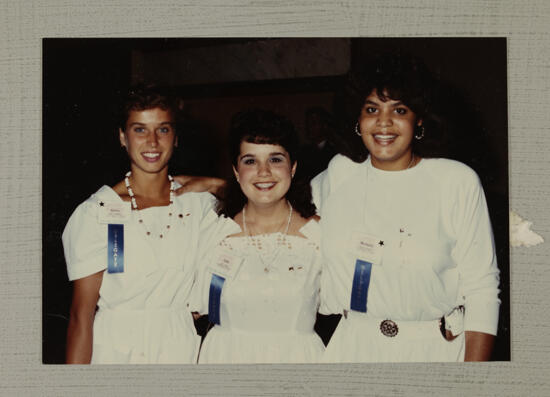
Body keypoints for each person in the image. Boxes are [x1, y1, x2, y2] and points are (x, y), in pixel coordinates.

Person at [312, 53, 500, 362]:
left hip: (433, 349)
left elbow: (482, 288)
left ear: (419, 118)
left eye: (399, 110)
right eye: (372, 109)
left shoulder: (455, 181)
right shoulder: (340, 173)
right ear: (358, 119)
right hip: (353, 345)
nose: (383, 122)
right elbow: (279, 204)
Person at [62, 85, 233, 364]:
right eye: (139, 129)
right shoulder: (97, 211)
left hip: (178, 347)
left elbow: (258, 205)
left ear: (175, 138)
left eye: (163, 129)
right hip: (115, 350)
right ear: (122, 137)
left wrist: (217, 183)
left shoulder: (198, 204)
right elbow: (81, 317)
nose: (152, 142)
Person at [189, 109, 325, 363]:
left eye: (275, 159)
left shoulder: (319, 235)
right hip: (226, 365)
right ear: (236, 171)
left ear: (293, 167)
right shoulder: (214, 235)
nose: (264, 172)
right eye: (250, 161)